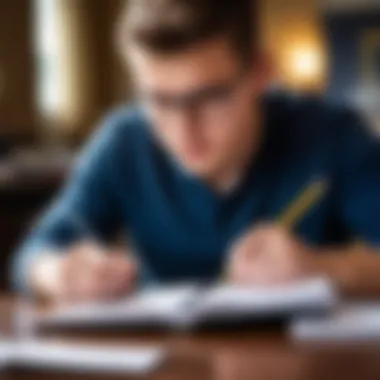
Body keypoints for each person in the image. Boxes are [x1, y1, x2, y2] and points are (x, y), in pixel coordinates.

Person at [12, 0, 380, 303]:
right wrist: (59, 273)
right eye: (159, 101)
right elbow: (33, 255)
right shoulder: (123, 140)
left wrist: (319, 267)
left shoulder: (332, 134)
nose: (183, 130)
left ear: (260, 73)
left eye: (211, 97)